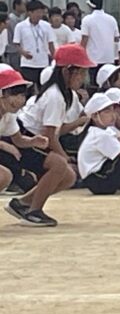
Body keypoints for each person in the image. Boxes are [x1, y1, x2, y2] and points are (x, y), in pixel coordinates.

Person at [9, 45, 94, 226]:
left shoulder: (66, 95)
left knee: (69, 176)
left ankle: (23, 202)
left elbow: (54, 130)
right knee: (59, 165)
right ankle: (34, 211)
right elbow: (50, 135)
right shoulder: (55, 96)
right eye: (80, 73)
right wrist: (64, 156)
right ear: (67, 71)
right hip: (24, 136)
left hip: (37, 138)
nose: (83, 78)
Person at [0, 69, 52, 219]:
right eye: (15, 94)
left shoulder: (8, 116)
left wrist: (33, 141)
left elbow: (18, 140)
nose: (20, 99)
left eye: (22, 94)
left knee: (4, 176)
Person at [13, 0, 55, 87]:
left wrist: (54, 58)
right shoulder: (20, 26)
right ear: (29, 13)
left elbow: (51, 43)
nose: (40, 15)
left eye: (41, 12)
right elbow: (16, 44)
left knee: (43, 88)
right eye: (37, 12)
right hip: (27, 64)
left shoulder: (46, 26)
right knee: (28, 88)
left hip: (43, 63)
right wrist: (23, 53)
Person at [81, 0, 120, 84]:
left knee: (94, 84)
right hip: (109, 58)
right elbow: (117, 39)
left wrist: (81, 56)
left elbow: (84, 40)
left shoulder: (87, 20)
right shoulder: (111, 19)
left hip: (93, 59)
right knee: (109, 84)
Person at [6, 0, 27, 69]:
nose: (25, 7)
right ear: (17, 5)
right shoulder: (11, 19)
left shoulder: (21, 17)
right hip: (13, 50)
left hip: (20, 50)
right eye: (23, 4)